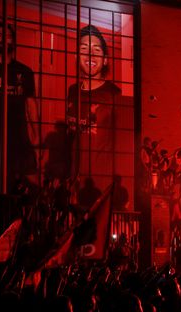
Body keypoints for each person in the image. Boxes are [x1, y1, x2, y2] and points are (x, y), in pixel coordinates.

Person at [0, 22, 40, 196]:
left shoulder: (25, 72)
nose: (4, 39)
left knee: (31, 184)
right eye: (0, 35)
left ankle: (32, 219)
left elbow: (31, 104)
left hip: (19, 138)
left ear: (14, 41)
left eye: (8, 36)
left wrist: (37, 135)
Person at [67, 25, 121, 194]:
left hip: (101, 184)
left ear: (105, 59)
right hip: (75, 181)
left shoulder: (114, 93)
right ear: (77, 57)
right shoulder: (73, 91)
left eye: (96, 49)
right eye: (84, 49)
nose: (90, 54)